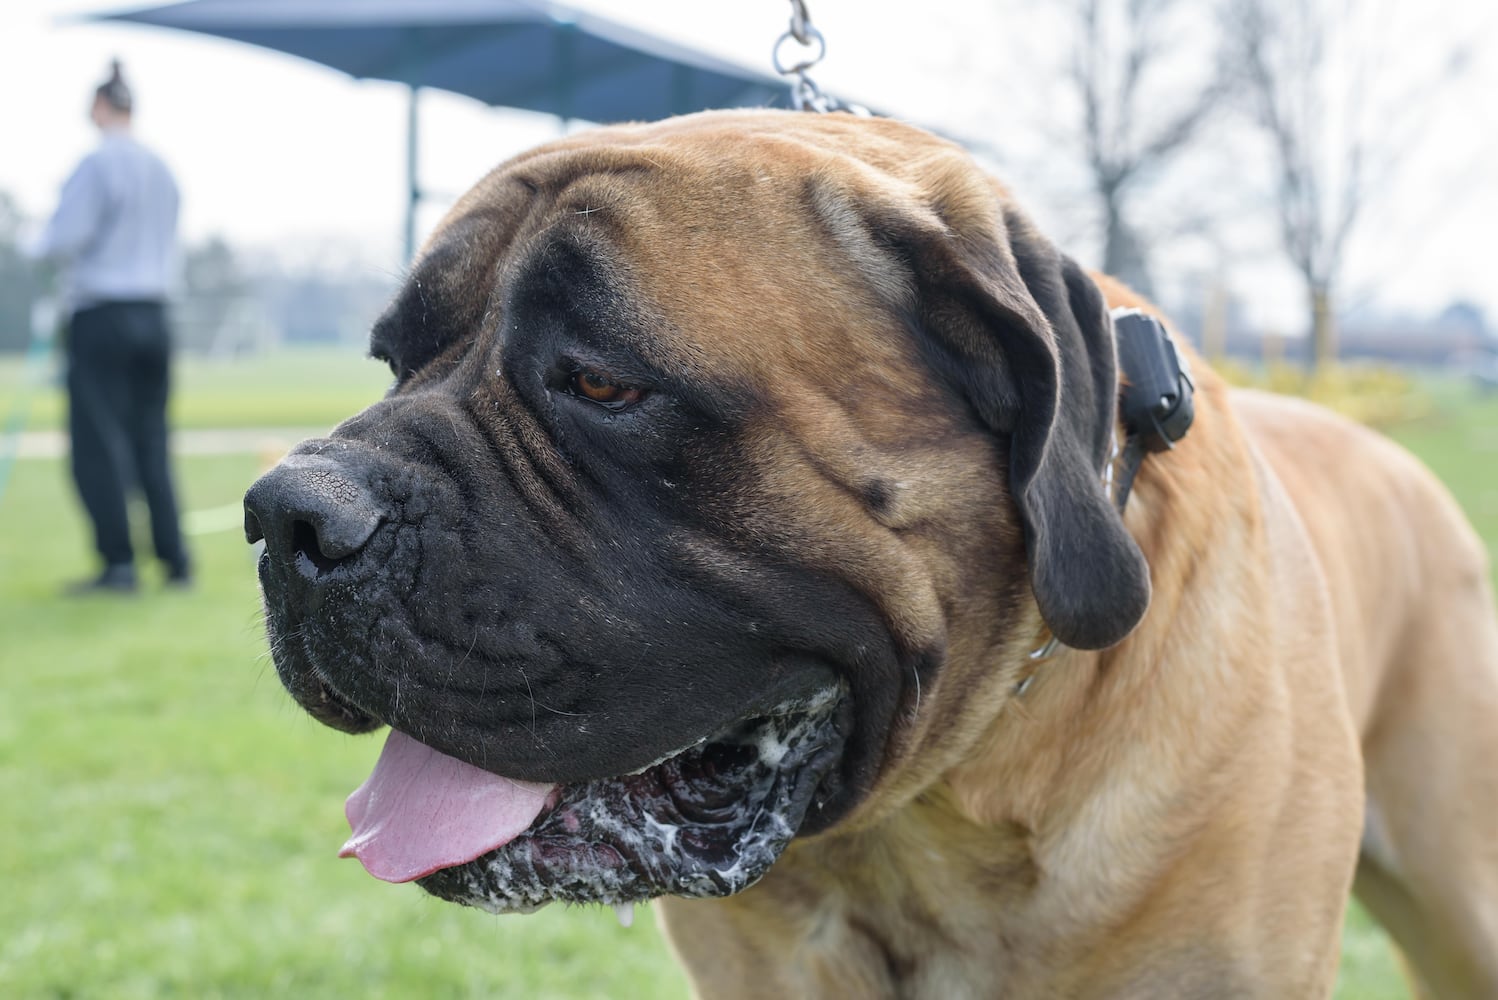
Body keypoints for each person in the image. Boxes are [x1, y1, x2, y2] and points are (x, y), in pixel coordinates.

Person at [32, 60, 190, 593]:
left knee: (98, 441)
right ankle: (175, 560)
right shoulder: (163, 167)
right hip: (155, 314)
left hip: (102, 314)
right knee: (151, 437)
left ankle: (118, 563)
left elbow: (61, 240)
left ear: (100, 108)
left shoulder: (96, 163)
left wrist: (33, 242)